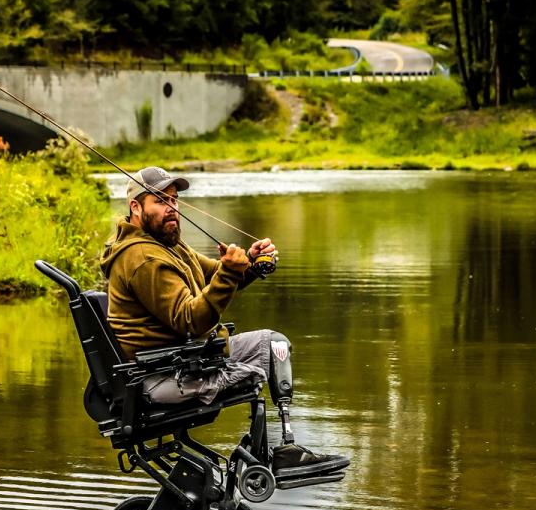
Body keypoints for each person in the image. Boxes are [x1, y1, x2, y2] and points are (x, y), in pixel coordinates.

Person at [100, 166, 349, 477]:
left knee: (273, 344)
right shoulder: (143, 258)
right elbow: (191, 320)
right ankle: (264, 460)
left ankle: (285, 449)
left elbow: (214, 274)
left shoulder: (167, 245)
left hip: (186, 360)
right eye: (160, 201)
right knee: (258, 365)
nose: (172, 208)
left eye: (174, 200)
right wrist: (230, 272)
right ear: (136, 207)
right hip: (164, 375)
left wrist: (250, 264)